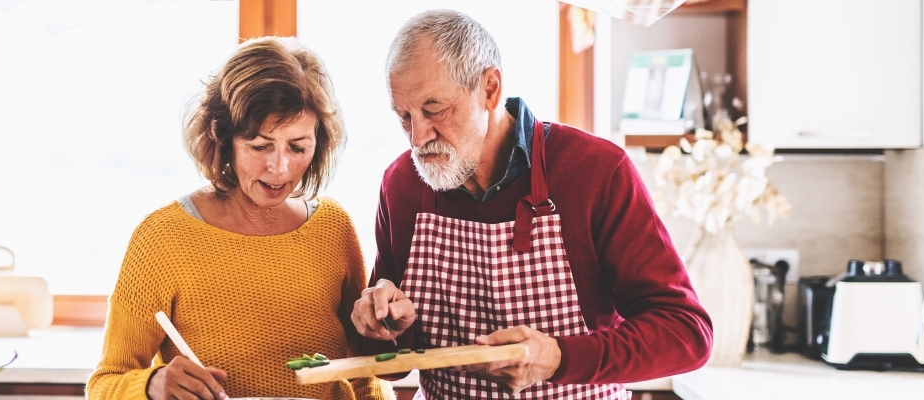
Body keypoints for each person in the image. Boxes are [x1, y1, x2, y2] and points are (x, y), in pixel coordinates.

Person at [350, 10, 713, 399]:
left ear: (489, 89)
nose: (418, 137)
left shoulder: (596, 171)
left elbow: (687, 333)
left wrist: (559, 358)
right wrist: (384, 326)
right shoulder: (402, 184)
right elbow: (389, 362)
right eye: (404, 116)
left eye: (434, 109)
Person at [87, 36, 390, 400]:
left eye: (298, 147)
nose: (279, 168)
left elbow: (363, 372)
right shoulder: (163, 238)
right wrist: (151, 386)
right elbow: (105, 383)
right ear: (223, 136)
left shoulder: (333, 227)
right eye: (260, 146)